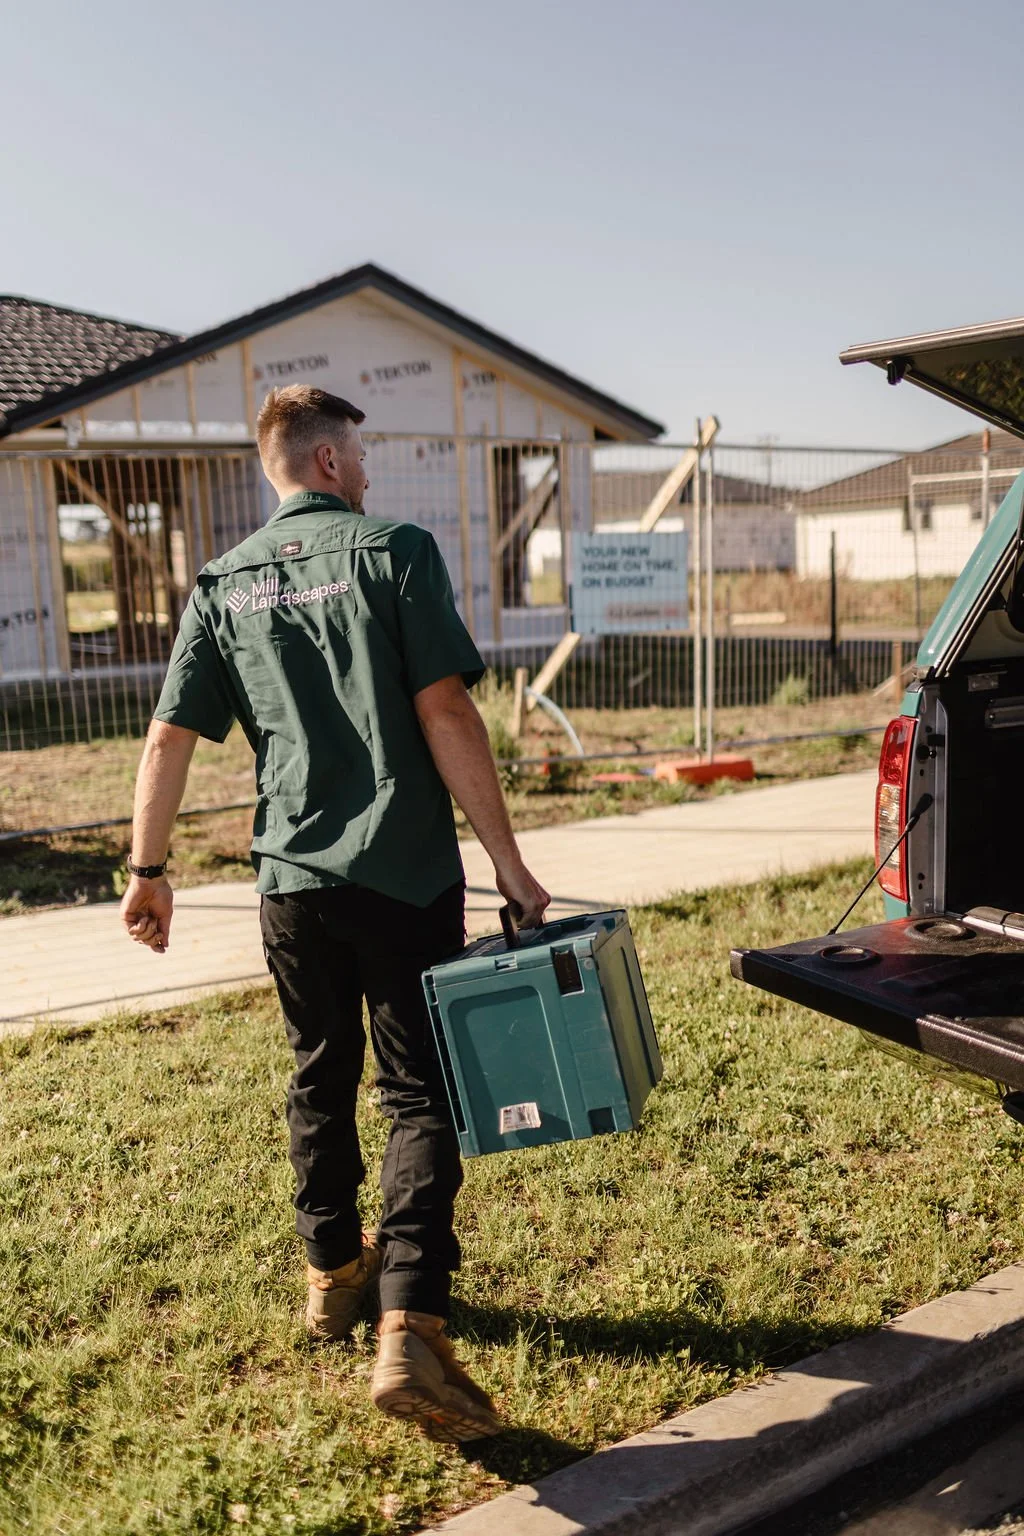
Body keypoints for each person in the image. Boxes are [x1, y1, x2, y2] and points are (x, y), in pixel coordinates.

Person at [120, 384, 550, 1444]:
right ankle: (410, 1322)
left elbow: (170, 737)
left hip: (291, 884)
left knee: (319, 1070)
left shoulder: (223, 582)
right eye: (356, 456)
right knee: (420, 1092)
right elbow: (444, 708)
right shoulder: (393, 551)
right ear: (321, 463)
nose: (367, 473)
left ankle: (329, 1273)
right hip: (401, 873)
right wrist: (509, 860)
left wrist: (148, 867)